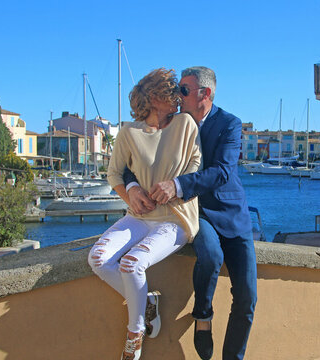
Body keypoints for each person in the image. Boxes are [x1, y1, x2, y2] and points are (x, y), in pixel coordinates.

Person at [125, 66, 257, 360]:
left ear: (205, 94)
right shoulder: (170, 122)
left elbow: (222, 172)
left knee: (247, 298)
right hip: (196, 212)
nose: (178, 95)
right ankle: (203, 316)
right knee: (210, 256)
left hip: (233, 215)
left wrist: (177, 185)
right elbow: (131, 156)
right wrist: (133, 186)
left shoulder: (229, 124)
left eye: (183, 90)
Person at [88, 68, 201, 360]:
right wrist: (132, 193)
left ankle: (135, 334)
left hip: (175, 219)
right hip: (139, 218)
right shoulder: (129, 132)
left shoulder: (185, 124)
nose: (178, 98)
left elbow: (195, 166)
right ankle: (146, 300)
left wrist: (175, 188)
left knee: (132, 264)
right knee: (98, 258)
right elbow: (114, 173)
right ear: (154, 97)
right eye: (171, 92)